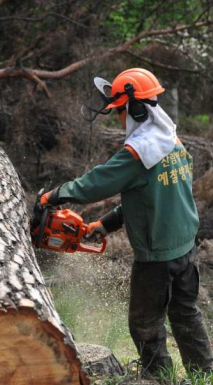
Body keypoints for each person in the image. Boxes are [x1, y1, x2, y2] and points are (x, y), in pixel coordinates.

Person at [40, 68, 213, 376]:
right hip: (186, 247)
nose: (119, 119)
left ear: (134, 108)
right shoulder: (172, 141)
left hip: (157, 256)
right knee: (186, 313)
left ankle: (158, 378)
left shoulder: (138, 152)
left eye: (119, 111)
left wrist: (54, 196)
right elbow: (149, 197)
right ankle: (204, 373)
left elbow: (96, 184)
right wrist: (104, 225)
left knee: (144, 322)